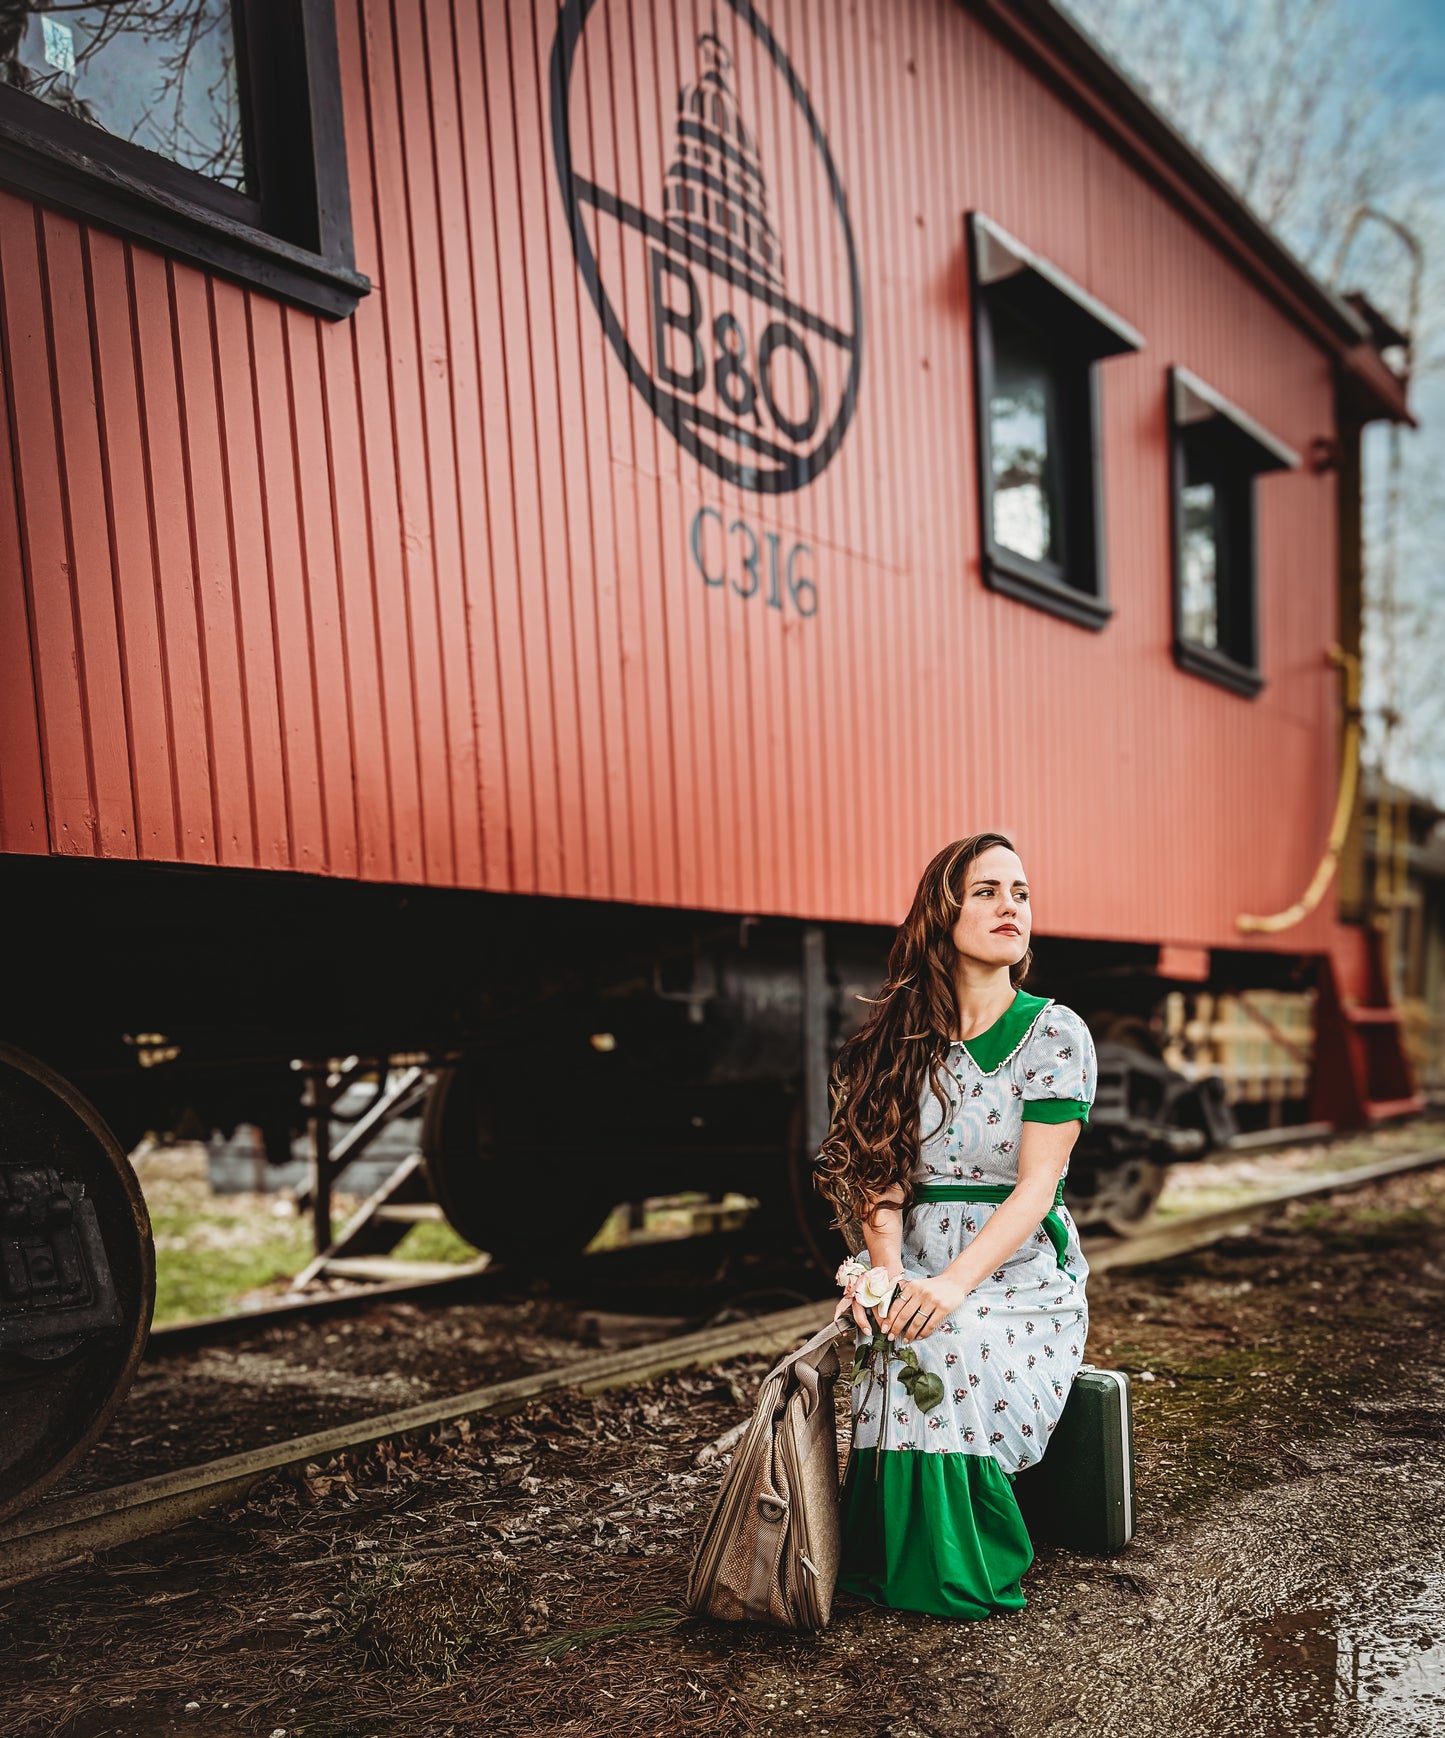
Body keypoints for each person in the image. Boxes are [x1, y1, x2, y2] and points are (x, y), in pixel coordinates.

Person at [814, 832, 1097, 1619]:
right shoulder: (895, 1041)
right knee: (889, 1332)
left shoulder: (1054, 1033)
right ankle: (884, 1560)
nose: (1010, 905)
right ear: (943, 915)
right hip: (920, 1261)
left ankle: (956, 1565)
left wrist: (945, 1285)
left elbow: (1036, 1188)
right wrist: (886, 1275)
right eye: (986, 891)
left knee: (946, 1333)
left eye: (1021, 892)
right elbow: (880, 1181)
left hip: (1015, 1274)